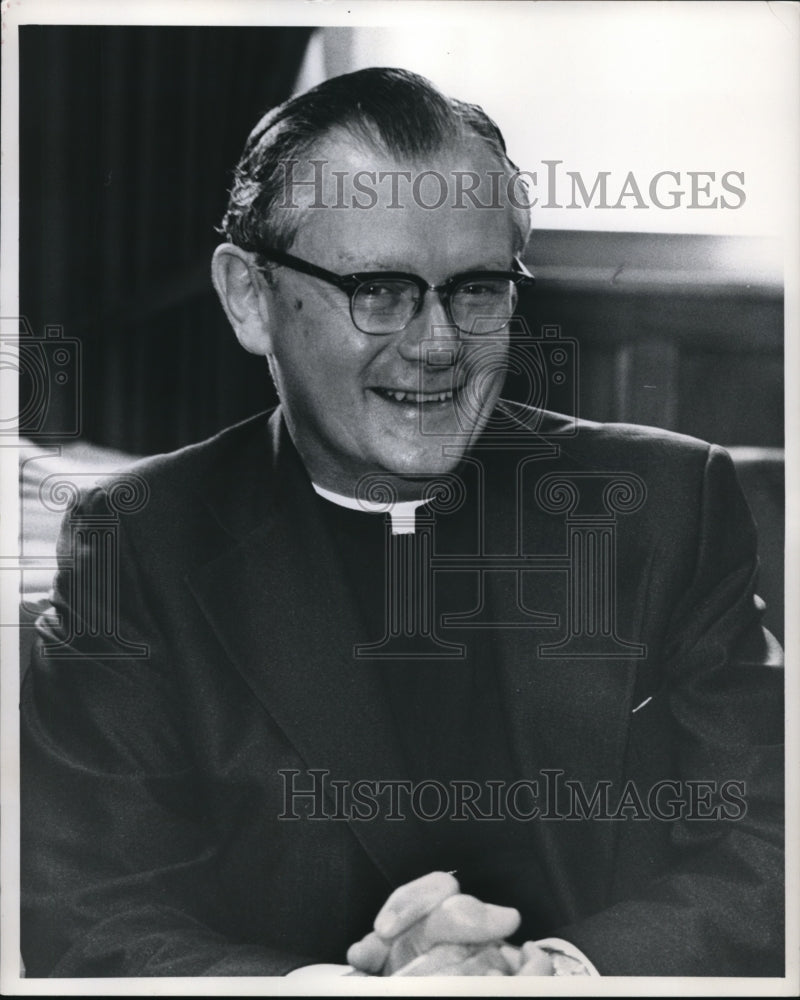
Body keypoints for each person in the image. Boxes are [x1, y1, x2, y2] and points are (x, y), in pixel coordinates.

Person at [21, 67, 784, 978]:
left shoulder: (664, 502)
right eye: (378, 290)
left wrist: (561, 972)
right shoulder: (137, 542)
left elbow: (774, 843)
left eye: (477, 289)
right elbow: (84, 910)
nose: (435, 344)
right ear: (249, 298)